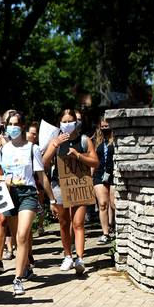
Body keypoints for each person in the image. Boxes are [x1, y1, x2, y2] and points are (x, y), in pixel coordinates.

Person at [0, 115, 57, 296]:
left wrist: (52, 200)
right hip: (9, 194)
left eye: (16, 124)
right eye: (10, 125)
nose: (13, 128)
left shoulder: (32, 149)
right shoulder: (2, 150)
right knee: (15, 237)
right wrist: (2, 183)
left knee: (22, 236)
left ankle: (17, 278)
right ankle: (26, 266)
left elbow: (41, 176)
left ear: (22, 126)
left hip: (27, 194)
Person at [43, 109, 99, 274]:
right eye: (64, 121)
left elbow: (95, 162)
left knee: (78, 223)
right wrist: (55, 144)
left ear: (76, 122)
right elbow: (44, 162)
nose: (67, 124)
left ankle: (80, 259)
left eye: (70, 121)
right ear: (60, 123)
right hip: (60, 186)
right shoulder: (56, 140)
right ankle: (68, 255)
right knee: (64, 223)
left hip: (79, 185)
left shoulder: (84, 140)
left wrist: (79, 156)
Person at [0, 110, 19, 273]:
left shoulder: (24, 140)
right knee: (2, 220)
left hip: (21, 185)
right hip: (4, 184)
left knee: (18, 224)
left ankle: (25, 256)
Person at [93, 119, 116, 244]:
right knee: (102, 204)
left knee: (113, 204)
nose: (105, 127)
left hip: (112, 175)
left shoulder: (116, 140)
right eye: (103, 126)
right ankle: (105, 233)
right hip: (99, 175)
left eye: (107, 125)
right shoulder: (97, 141)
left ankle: (115, 228)